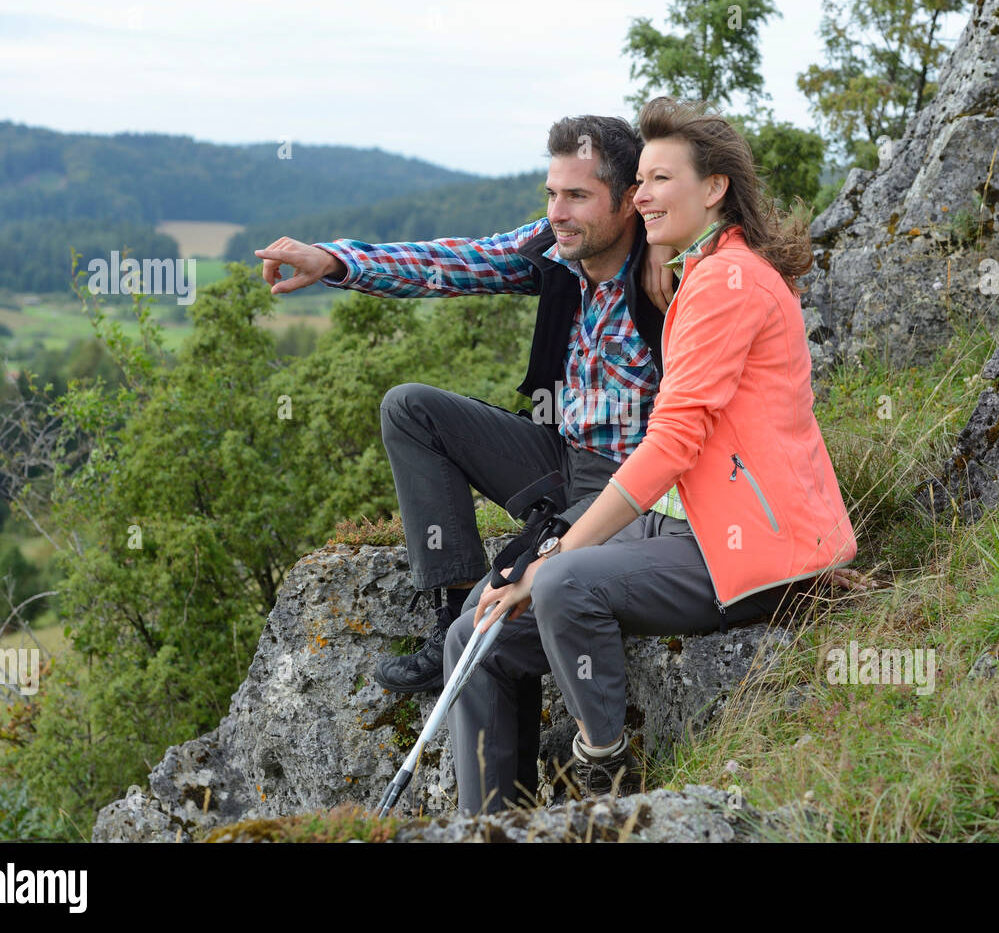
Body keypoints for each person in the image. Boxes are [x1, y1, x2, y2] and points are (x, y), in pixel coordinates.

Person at [446, 96, 865, 815]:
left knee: (563, 583)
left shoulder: (729, 283)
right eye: (637, 181)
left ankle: (606, 781)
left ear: (714, 187)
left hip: (754, 544)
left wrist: (557, 554)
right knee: (476, 630)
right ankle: (491, 825)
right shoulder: (700, 274)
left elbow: (670, 442)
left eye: (659, 179)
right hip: (686, 524)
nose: (640, 197)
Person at [254, 115, 677, 802]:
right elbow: (453, 262)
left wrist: (671, 253)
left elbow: (744, 252)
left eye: (576, 197)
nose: (556, 214)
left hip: (631, 491)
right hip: (557, 453)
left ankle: (496, 815)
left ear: (629, 200)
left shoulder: (671, 273)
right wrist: (333, 260)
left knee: (489, 630)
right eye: (551, 193)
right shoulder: (554, 251)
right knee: (409, 406)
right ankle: (447, 599)